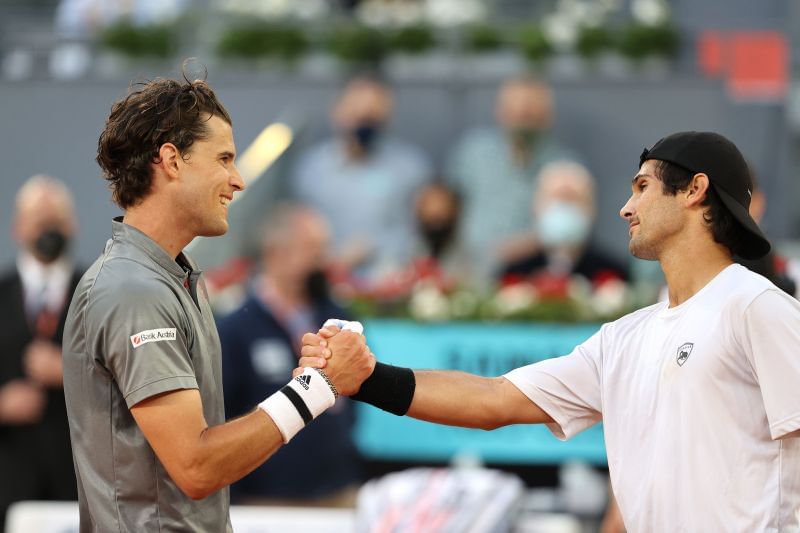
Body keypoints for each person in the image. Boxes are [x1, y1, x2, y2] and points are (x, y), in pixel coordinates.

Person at [301, 132, 800, 531]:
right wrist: (367, 378)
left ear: (695, 190)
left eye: (642, 187)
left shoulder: (757, 308)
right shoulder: (622, 338)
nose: (626, 207)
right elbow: (494, 400)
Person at [61, 72, 375, 532]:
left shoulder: (168, 278)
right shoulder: (134, 288)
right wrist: (316, 387)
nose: (238, 179)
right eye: (225, 159)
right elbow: (197, 466)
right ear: (171, 160)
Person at [217, 204, 362, 506]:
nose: (323, 260)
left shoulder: (337, 315)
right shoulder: (236, 328)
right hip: (266, 500)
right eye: (313, 249)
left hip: (337, 489)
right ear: (275, 253)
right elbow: (222, 411)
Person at [291, 76, 432, 282]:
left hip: (392, 285)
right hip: (325, 284)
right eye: (357, 115)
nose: (364, 124)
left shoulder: (410, 168)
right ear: (337, 112)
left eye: (372, 117)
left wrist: (374, 248)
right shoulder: (312, 169)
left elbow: (421, 235)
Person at [0, 175, 81, 531]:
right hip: (8, 478)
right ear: (18, 228)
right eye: (38, 219)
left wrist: (71, 371)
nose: (48, 228)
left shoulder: (98, 293)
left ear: (72, 225)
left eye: (56, 220)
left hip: (79, 479)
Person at [446, 77, 581, 283]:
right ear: (499, 112)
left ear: (548, 116)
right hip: (469, 273)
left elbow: (570, 233)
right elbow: (448, 209)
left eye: (530, 112)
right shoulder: (473, 153)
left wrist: (521, 248)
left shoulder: (566, 164)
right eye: (515, 110)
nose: (521, 117)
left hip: (533, 278)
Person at [500, 160, 630, 283]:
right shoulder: (514, 273)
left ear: (592, 209)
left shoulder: (612, 273)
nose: (564, 207)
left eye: (573, 199)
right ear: (536, 207)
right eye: (558, 197)